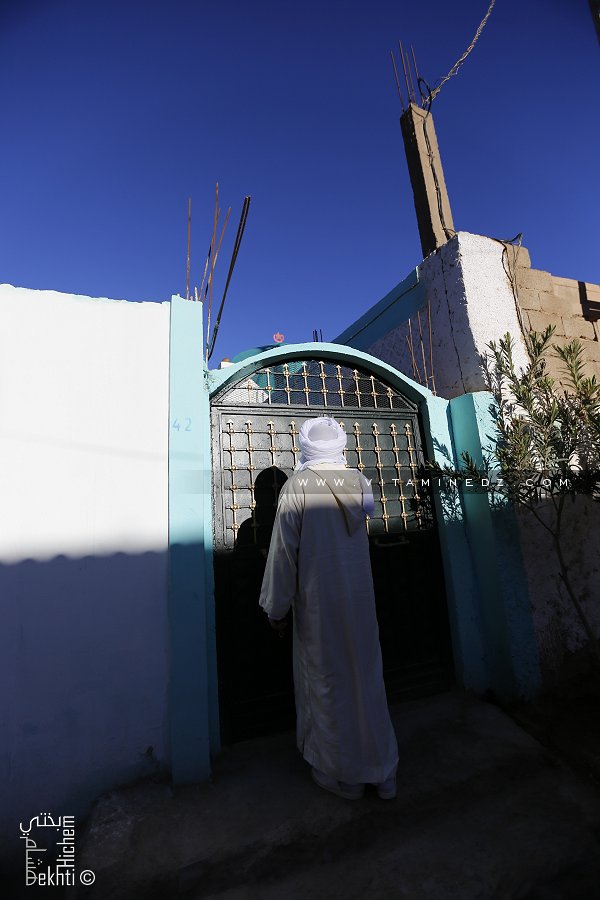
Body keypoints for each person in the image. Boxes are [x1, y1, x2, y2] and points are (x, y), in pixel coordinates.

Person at [259, 416, 398, 800]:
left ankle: (344, 775)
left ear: (305, 446)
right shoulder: (360, 482)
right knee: (366, 679)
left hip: (320, 607)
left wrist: (277, 607)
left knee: (327, 684)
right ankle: (383, 772)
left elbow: (283, 555)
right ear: (339, 444)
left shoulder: (297, 487)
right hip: (360, 603)